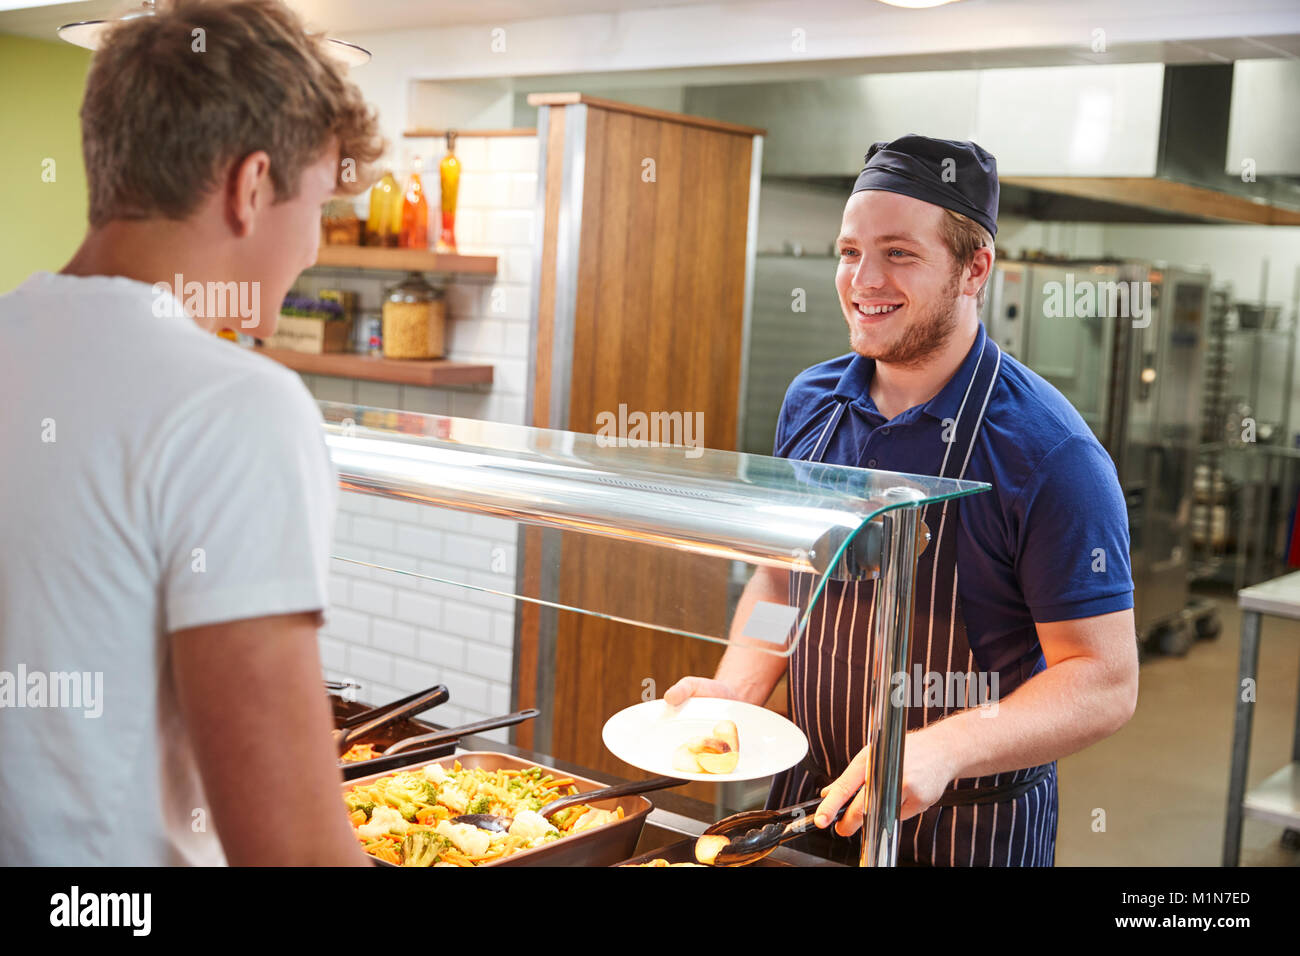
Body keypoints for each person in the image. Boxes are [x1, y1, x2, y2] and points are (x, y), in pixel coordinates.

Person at [666, 134, 1138, 866]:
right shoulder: (811, 404)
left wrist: (945, 747)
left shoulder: (1052, 454)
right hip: (810, 804)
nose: (863, 279)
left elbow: (1103, 681)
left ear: (975, 268)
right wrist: (736, 691)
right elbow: (782, 579)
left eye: (900, 254)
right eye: (850, 251)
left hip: (968, 829)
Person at [0, 0, 383, 864]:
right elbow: (293, 854)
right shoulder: (236, 407)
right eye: (319, 201)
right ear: (251, 188)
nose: (316, 248)